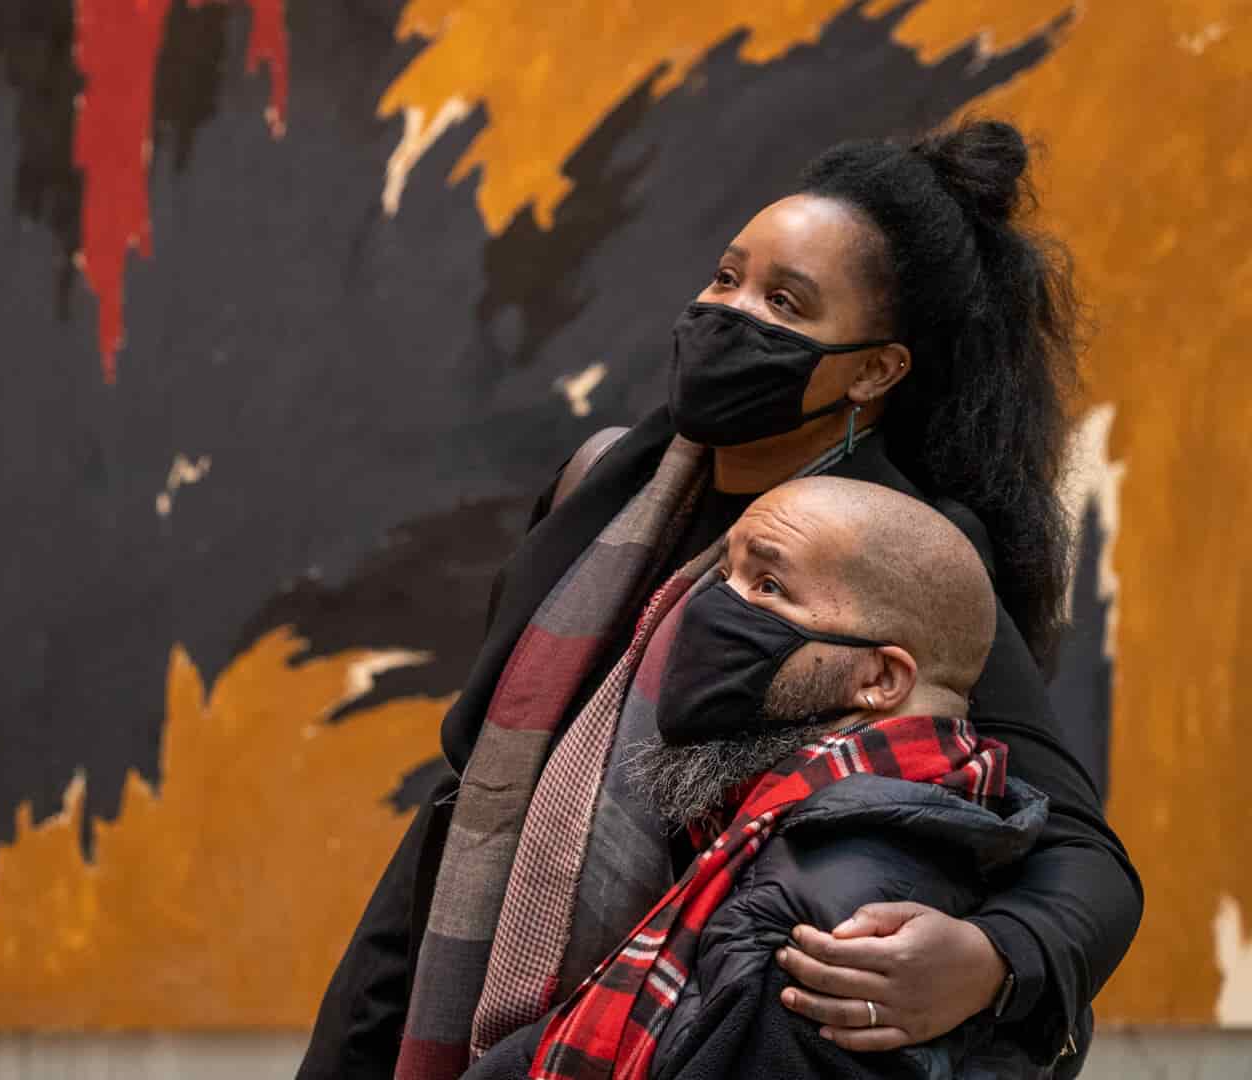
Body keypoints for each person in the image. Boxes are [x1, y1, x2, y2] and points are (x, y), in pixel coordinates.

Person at [299, 119, 1141, 1079]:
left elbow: (1084, 858)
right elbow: (464, 816)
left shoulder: (905, 555)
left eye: (786, 302)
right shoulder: (605, 489)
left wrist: (991, 962)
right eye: (726, 278)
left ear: (874, 368)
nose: (732, 315)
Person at [470, 476, 1051, 1079]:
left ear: (880, 678)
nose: (714, 610)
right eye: (727, 577)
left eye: (769, 586)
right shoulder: (860, 822)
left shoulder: (831, 925)